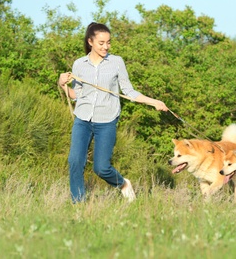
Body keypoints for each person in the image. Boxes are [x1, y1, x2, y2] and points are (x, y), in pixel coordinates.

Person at [58, 22, 169, 203]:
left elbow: (129, 91)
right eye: (101, 43)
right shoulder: (79, 64)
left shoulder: (116, 62)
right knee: (75, 162)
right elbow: (75, 95)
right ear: (90, 42)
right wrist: (61, 83)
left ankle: (123, 184)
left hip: (106, 120)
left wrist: (153, 102)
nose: (106, 46)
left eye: (108, 42)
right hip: (83, 119)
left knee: (101, 168)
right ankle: (78, 204)